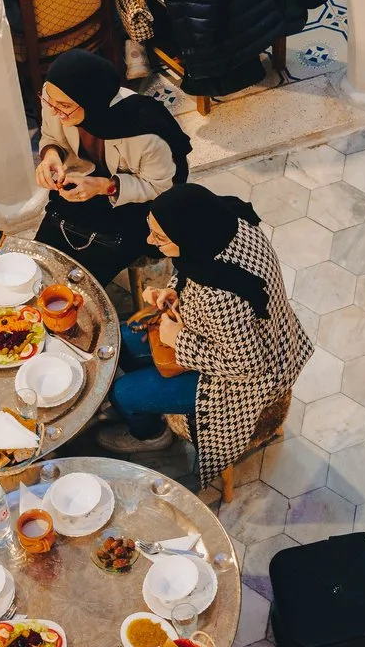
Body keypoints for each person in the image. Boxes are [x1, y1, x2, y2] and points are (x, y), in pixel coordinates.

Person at [102, 185, 312, 471]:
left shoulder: (219, 297)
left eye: (161, 238)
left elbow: (247, 364)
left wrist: (179, 340)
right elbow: (198, 270)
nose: (151, 240)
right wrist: (174, 290)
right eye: (152, 229)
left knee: (123, 392)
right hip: (269, 335)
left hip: (245, 381)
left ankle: (150, 434)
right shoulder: (232, 223)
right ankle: (148, 396)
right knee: (124, 339)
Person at [34, 49, 188, 280]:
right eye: (50, 101)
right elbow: (52, 136)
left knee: (84, 279)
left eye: (64, 106)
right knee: (41, 262)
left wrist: (106, 186)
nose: (55, 112)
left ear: (91, 102)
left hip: (136, 202)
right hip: (90, 183)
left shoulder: (145, 134)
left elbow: (160, 188)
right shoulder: (56, 98)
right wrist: (51, 155)